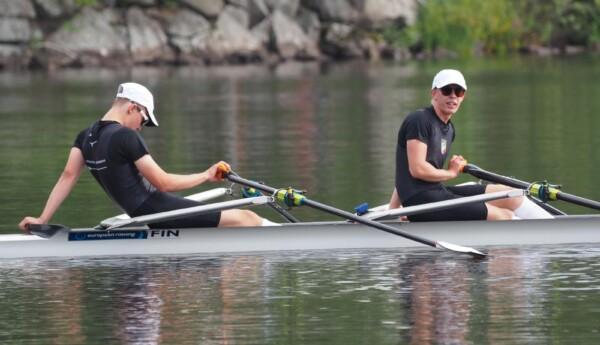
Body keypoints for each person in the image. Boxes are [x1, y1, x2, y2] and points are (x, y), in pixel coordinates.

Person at [19, 82, 277, 232]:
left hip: (142, 212)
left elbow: (68, 176)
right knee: (247, 218)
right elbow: (163, 183)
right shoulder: (125, 137)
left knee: (235, 221)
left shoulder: (85, 136)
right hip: (156, 210)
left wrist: (43, 220)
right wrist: (207, 175)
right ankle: (291, 238)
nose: (141, 127)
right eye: (144, 119)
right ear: (132, 107)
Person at [388, 69, 552, 221]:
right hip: (421, 201)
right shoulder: (419, 120)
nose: (453, 96)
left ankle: (551, 228)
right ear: (434, 93)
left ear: (463, 96)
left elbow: (403, 171)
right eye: (447, 90)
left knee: (511, 194)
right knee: (504, 216)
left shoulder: (449, 129)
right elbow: (417, 169)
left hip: (436, 194)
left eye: (458, 92)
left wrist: (393, 209)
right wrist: (451, 173)